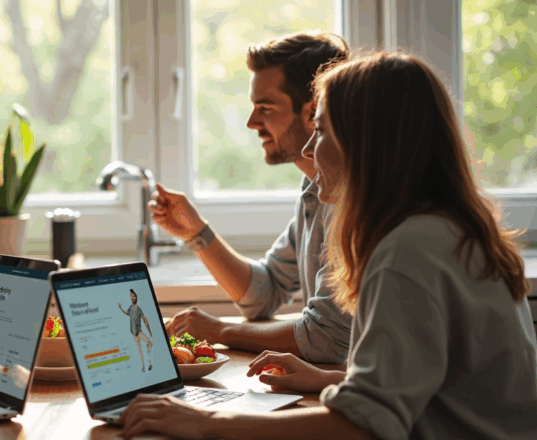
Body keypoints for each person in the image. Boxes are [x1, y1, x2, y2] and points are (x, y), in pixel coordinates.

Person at [119, 51, 537, 439]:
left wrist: (209, 420)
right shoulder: (447, 228)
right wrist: (331, 379)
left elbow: (362, 426)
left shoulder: (408, 250)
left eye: (319, 130)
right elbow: (432, 385)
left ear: (367, 144)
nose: (306, 149)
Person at [154, 32, 351, 364]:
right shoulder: (313, 193)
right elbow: (265, 293)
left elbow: (325, 338)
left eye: (266, 108)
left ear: (313, 109)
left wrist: (221, 332)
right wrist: (196, 234)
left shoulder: (349, 201)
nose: (251, 122)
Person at [117, 289, 154, 372]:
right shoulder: (130, 307)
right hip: (133, 333)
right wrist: (120, 308)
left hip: (138, 332)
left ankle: (147, 360)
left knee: (149, 344)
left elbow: (145, 320)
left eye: (133, 296)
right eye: (131, 296)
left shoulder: (139, 309)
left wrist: (150, 332)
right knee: (140, 349)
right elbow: (127, 313)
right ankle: (144, 366)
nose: (132, 298)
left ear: (136, 297)